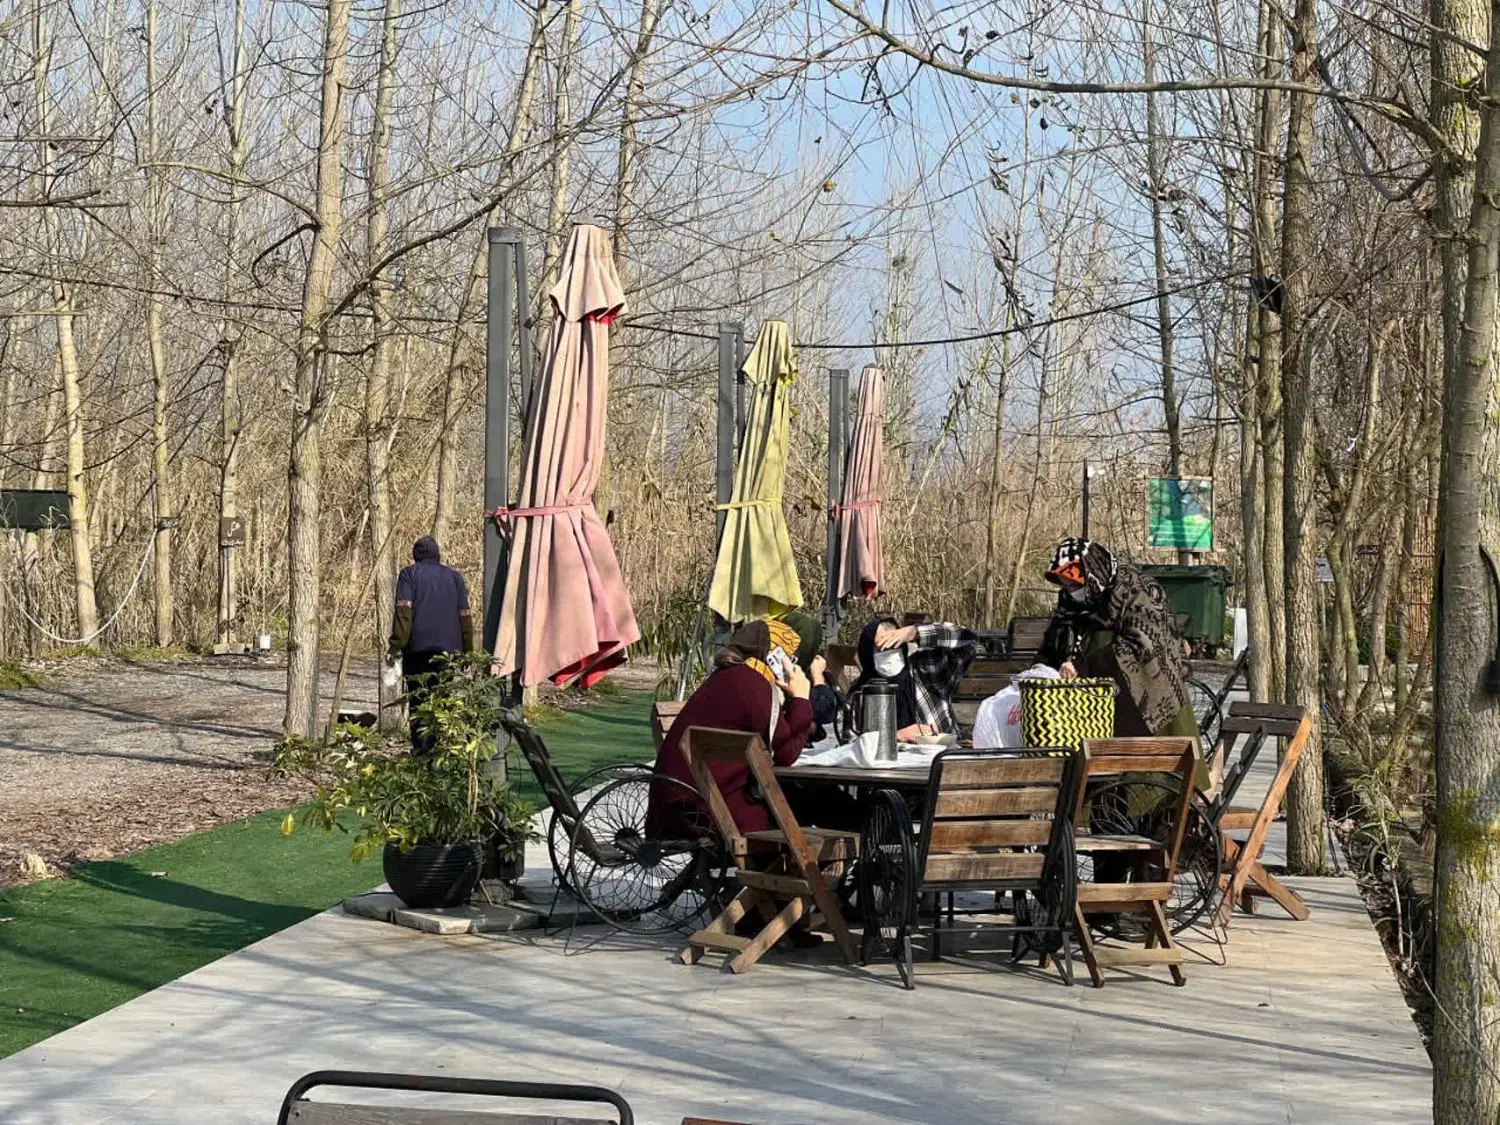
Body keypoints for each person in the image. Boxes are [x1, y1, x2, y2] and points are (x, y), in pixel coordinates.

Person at [646, 619, 813, 838]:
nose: (791, 666)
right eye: (789, 658)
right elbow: (786, 753)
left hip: (671, 809)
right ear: (775, 656)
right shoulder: (754, 687)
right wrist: (801, 698)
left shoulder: (727, 676)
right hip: (707, 813)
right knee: (819, 804)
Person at [1038, 538, 1198, 742]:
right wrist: (1042, 667)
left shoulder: (1137, 590)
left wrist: (1081, 667)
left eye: (1074, 583)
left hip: (1154, 695)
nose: (1071, 590)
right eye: (1065, 584)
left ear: (1093, 571)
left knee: (1162, 753)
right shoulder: (1071, 601)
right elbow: (1056, 637)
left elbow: (1143, 644)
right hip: (1094, 704)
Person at [387, 536, 473, 753]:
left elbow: (404, 614)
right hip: (448, 652)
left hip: (417, 650)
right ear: (437, 554)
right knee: (441, 701)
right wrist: (467, 652)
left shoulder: (409, 575)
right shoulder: (455, 577)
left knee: (418, 701)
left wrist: (395, 646)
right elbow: (465, 617)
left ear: (415, 555)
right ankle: (438, 751)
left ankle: (421, 752)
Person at [849, 614, 981, 741]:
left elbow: (969, 639)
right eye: (881, 648)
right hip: (888, 755)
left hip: (939, 751)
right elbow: (850, 742)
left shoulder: (928, 670)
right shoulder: (859, 693)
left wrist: (917, 632)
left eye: (894, 645)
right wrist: (897, 736)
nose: (889, 652)